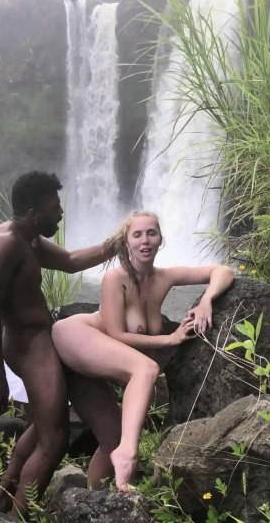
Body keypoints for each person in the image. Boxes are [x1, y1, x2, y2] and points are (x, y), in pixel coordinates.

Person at [51, 211, 235, 492]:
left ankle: (94, 497)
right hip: (76, 335)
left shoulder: (165, 277)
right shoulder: (115, 278)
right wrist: (169, 339)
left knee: (114, 436)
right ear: (126, 242)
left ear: (161, 239)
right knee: (146, 370)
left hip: (104, 357)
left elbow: (223, 271)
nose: (145, 241)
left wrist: (206, 301)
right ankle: (128, 455)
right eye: (137, 235)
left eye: (151, 233)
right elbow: (115, 334)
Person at [0, 171, 117, 516]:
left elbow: (69, 262)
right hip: (28, 348)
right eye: (55, 207)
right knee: (54, 440)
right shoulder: (6, 244)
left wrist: (117, 243)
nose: (61, 213)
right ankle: (17, 516)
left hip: (41, 341)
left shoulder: (30, 239)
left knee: (43, 427)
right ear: (34, 213)